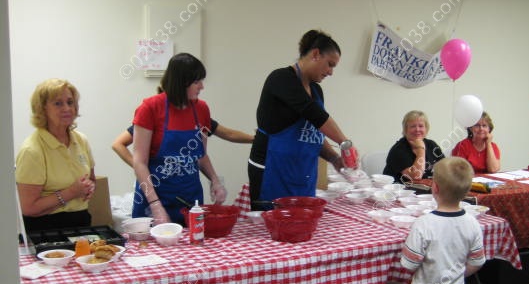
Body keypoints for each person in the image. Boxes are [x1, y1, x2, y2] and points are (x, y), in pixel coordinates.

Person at [248, 29, 357, 209]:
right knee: (273, 230)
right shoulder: (281, 79)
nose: (331, 72)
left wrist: (334, 158)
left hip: (302, 173)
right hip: (272, 171)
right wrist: (345, 143)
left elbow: (313, 132)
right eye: (330, 64)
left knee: (302, 226)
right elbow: (315, 114)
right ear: (315, 54)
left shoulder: (316, 90)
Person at [131, 52, 226, 225]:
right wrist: (155, 205)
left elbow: (201, 155)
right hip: (155, 198)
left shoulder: (202, 109)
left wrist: (215, 180)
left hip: (190, 199)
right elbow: (139, 161)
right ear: (182, 83)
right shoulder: (150, 108)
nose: (202, 86)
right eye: (197, 82)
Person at [16, 78, 96, 233]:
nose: (67, 108)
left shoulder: (81, 140)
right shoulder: (32, 151)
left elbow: (91, 178)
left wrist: (89, 187)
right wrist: (72, 192)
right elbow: (28, 207)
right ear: (42, 109)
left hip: (81, 221)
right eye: (58, 103)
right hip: (45, 228)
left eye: (70, 102)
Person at [113, 120, 254, 167]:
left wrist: (255, 139)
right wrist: (139, 167)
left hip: (187, 190)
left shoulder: (198, 114)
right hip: (156, 186)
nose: (201, 87)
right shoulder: (152, 115)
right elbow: (118, 144)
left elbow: (228, 133)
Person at [383, 110, 444, 183]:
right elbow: (415, 176)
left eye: (421, 126)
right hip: (401, 191)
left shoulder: (432, 145)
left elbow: (445, 170)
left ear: (426, 129)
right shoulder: (398, 149)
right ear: (406, 130)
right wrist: (421, 150)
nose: (417, 129)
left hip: (428, 191)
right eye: (413, 126)